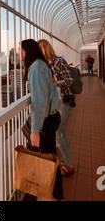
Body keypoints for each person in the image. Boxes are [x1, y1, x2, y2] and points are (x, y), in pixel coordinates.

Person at [19, 39, 63, 201]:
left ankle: (32, 197)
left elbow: (39, 103)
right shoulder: (42, 65)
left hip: (45, 122)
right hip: (52, 117)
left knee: (36, 162)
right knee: (50, 159)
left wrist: (35, 131)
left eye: (20, 49)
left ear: (27, 51)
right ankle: (58, 195)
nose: (18, 53)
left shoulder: (36, 68)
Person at [38, 40, 75, 177]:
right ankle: (61, 163)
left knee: (59, 131)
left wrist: (54, 83)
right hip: (53, 103)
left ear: (44, 49)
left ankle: (68, 163)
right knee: (56, 132)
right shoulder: (44, 65)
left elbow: (69, 80)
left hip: (63, 101)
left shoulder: (57, 61)